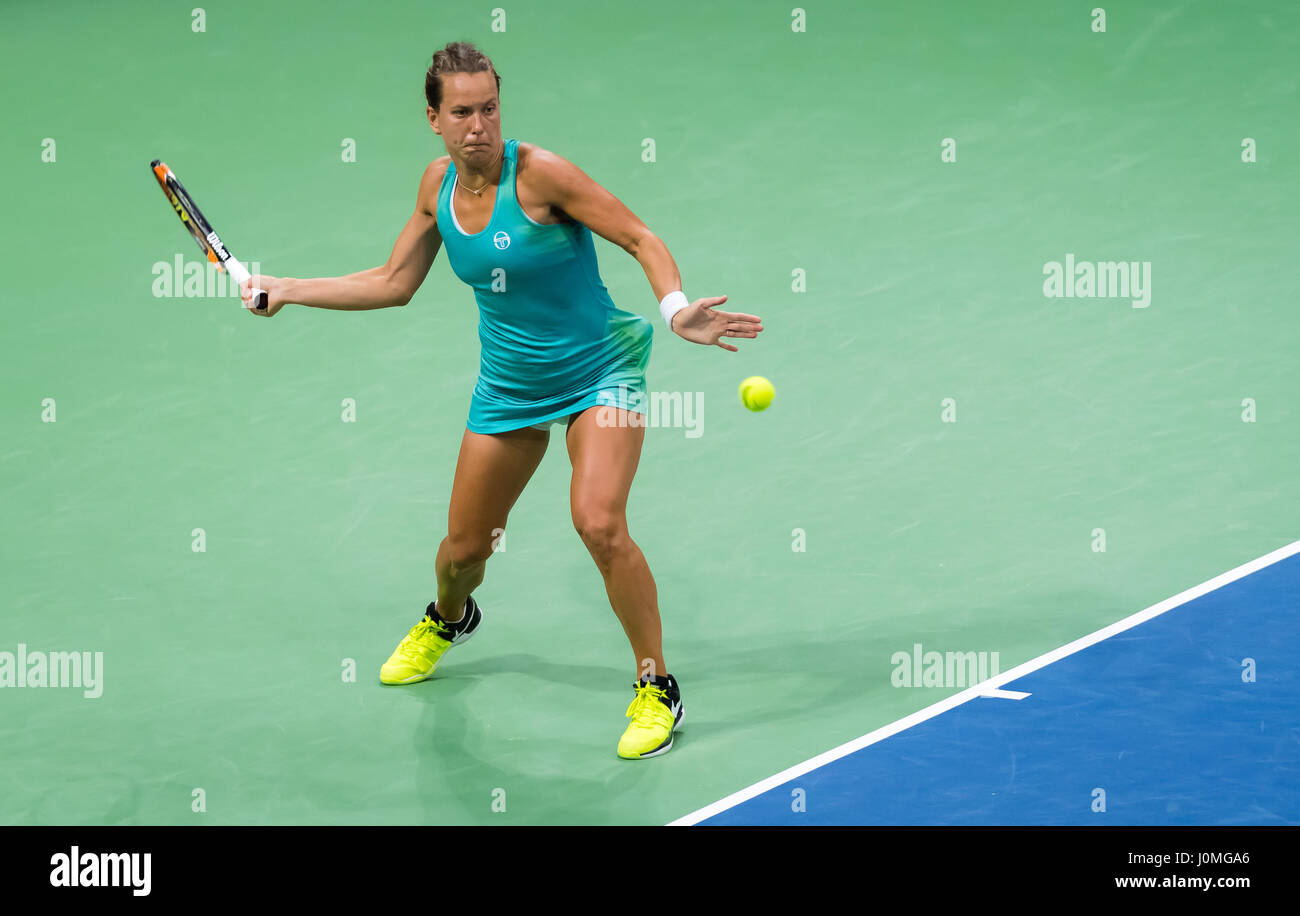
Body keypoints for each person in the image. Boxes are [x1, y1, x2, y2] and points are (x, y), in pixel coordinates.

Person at [241, 41, 763, 759]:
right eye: (462, 112)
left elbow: (640, 236)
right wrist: (290, 289)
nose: (479, 125)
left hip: (599, 371)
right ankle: (450, 618)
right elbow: (394, 281)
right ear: (434, 118)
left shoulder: (542, 175)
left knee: (599, 522)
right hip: (510, 387)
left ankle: (657, 688)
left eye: (489, 108)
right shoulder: (435, 188)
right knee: (462, 552)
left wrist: (674, 309)